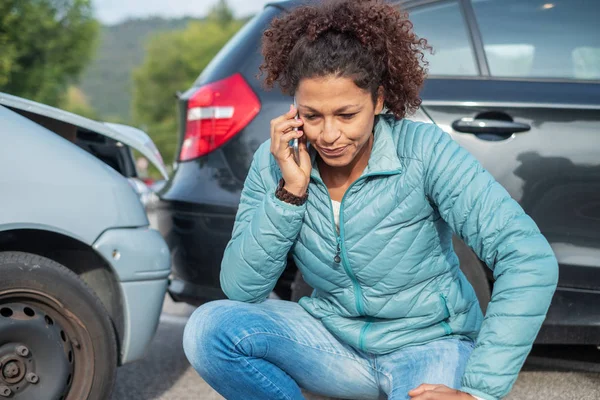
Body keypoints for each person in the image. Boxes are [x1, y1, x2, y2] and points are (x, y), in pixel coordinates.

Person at [182, 1, 558, 399]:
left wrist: (479, 393)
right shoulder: (276, 163)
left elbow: (527, 257)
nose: (328, 135)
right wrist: (289, 192)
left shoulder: (424, 151)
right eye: (313, 116)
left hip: (427, 345)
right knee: (210, 329)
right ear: (295, 110)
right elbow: (241, 290)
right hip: (332, 345)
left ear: (378, 101)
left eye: (346, 115)